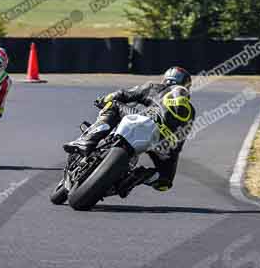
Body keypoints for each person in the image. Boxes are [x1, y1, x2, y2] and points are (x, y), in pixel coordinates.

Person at [64, 66, 195, 195]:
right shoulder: (191, 110)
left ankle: (87, 140)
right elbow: (181, 137)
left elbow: (124, 94)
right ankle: (138, 176)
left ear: (166, 79)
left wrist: (104, 99)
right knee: (164, 182)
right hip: (165, 142)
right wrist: (170, 155)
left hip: (145, 122)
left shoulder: (156, 87)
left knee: (114, 104)